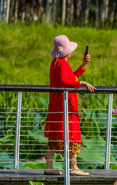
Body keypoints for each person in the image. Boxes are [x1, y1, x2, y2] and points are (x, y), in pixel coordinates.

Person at [44, 34, 95, 176]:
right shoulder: (61, 63)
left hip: (58, 102)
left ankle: (49, 165)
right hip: (65, 104)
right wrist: (83, 83)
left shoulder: (56, 62)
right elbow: (67, 82)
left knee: (55, 132)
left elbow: (70, 78)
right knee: (71, 132)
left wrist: (83, 65)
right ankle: (73, 166)